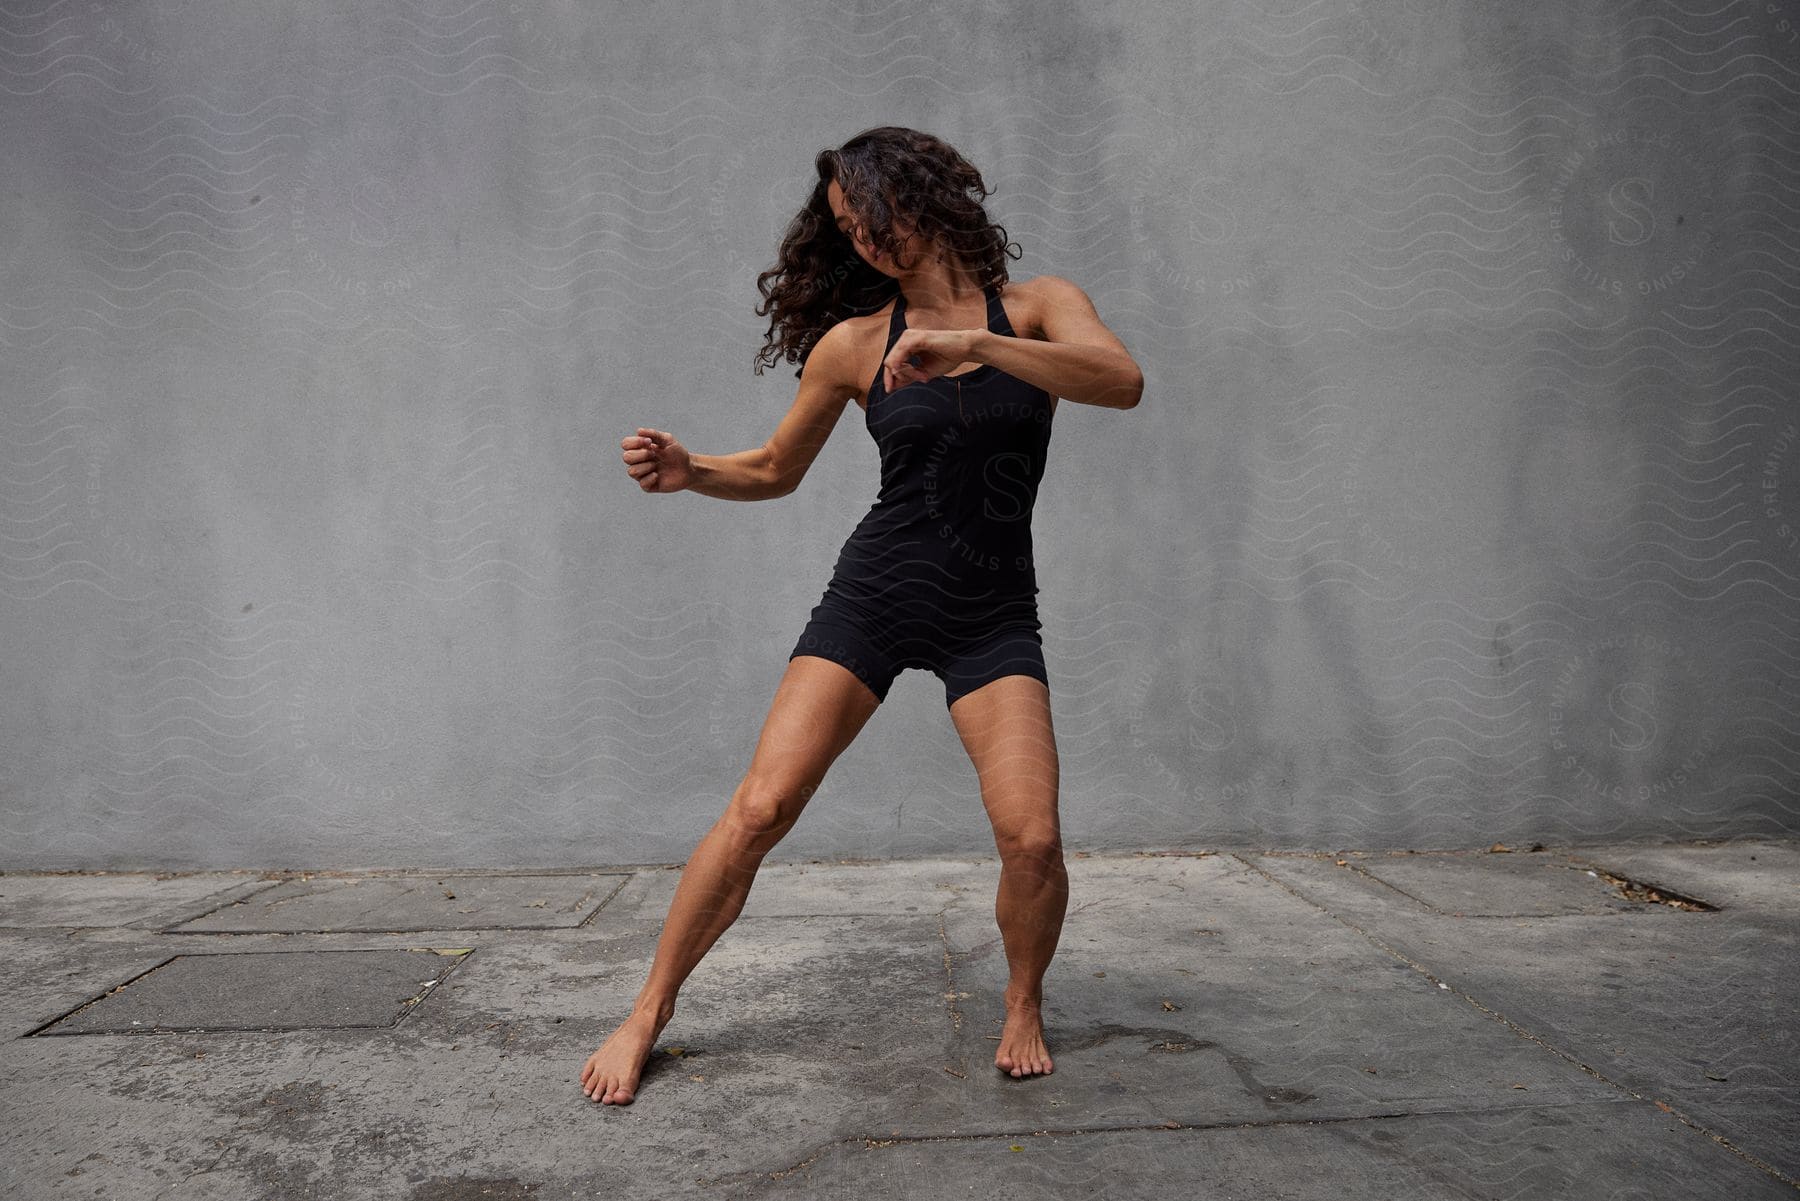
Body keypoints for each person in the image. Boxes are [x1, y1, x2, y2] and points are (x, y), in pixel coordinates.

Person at [581, 125, 1143, 1105]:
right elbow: (770, 468)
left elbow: (1122, 383)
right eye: (844, 228)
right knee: (759, 810)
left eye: (869, 214)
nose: (863, 239)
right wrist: (690, 471)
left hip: (992, 610)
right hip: (876, 595)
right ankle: (647, 1012)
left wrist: (969, 343)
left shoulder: (1042, 307)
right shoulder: (853, 344)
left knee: (1034, 841)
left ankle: (1021, 999)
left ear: (922, 196)